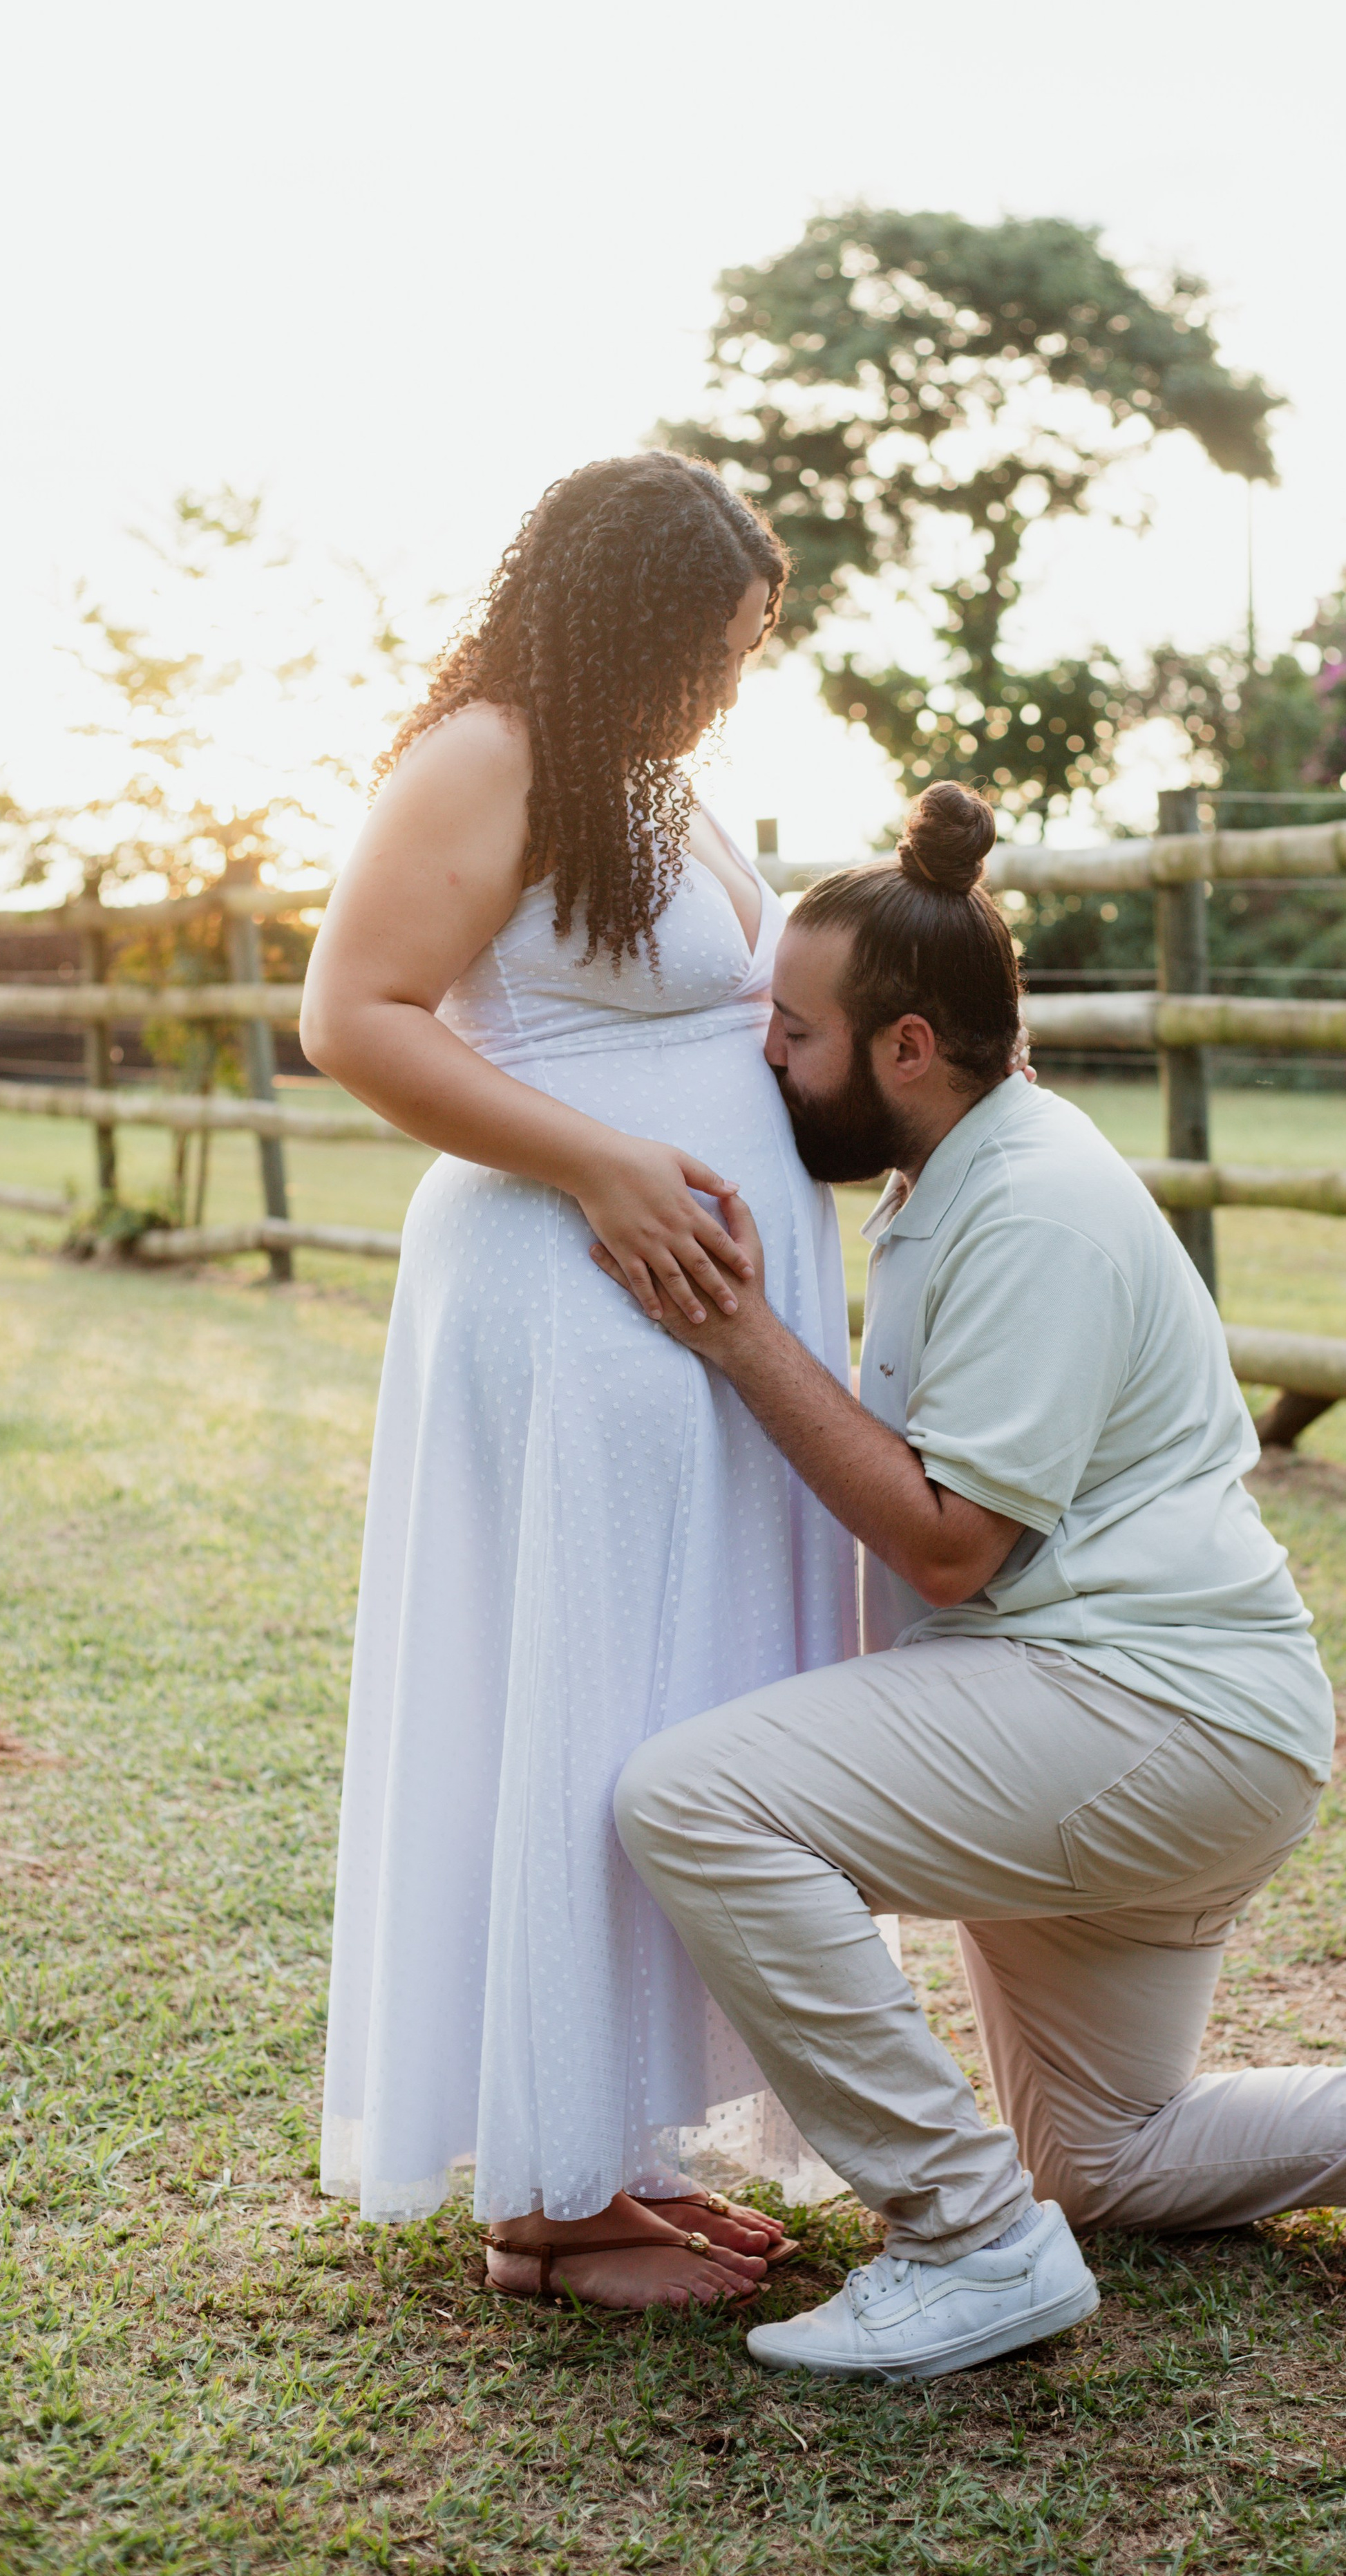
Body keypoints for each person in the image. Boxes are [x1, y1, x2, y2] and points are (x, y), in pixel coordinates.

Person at [604, 779, 1346, 2380]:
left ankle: (961, 2241)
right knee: (1097, 2160)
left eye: (792, 1035)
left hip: (1141, 1712)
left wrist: (735, 1324)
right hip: (1138, 1720)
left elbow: (953, 1542)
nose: (765, 1057)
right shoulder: (960, 1168)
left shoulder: (1030, 1202)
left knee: (690, 1800)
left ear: (907, 1048)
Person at [301, 453, 855, 2311]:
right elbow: (355, 1014)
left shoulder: (635, 771)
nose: (731, 680)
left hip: (669, 1319)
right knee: (585, 1696)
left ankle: (613, 2142)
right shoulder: (486, 755)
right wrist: (604, 1167)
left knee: (666, 1707)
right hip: (569, 1295)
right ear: (623, 616)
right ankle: (543, 2205)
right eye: (716, 645)